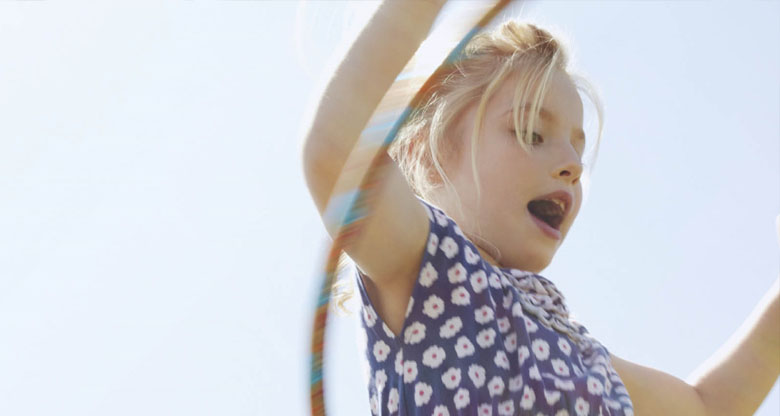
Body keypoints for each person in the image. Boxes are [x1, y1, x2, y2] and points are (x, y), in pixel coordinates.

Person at [301, 1, 780, 415]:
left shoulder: (579, 358)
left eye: (577, 149)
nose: (571, 166)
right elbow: (338, 155)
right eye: (531, 133)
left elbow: (709, 406)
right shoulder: (428, 270)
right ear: (425, 153)